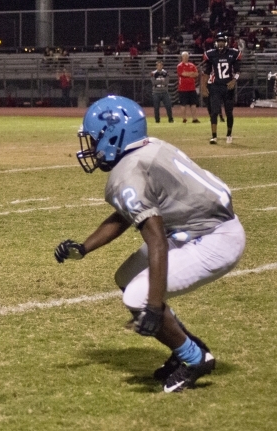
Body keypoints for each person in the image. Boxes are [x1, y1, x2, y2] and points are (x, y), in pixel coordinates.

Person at [54, 95, 245, 392]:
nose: (90, 148)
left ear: (113, 136)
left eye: (93, 140)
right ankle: (185, 343)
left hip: (214, 237)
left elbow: (155, 237)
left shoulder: (127, 172)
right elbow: (127, 214)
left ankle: (194, 358)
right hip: (198, 227)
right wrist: (85, 247)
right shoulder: (147, 147)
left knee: (138, 297)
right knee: (126, 277)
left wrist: (154, 307)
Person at [200, 32, 242, 144]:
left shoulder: (233, 53)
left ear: (226, 42)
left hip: (228, 86)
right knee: (214, 112)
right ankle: (214, 136)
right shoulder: (211, 54)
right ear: (216, 42)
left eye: (222, 41)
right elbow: (206, 72)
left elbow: (238, 71)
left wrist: (234, 80)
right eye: (219, 41)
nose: (220, 44)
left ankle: (229, 134)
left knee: (229, 112)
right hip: (215, 86)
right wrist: (204, 86)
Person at [176, 51, 200, 123]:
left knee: (193, 104)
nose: (186, 57)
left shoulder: (192, 65)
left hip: (192, 88)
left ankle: (194, 118)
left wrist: (188, 74)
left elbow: (196, 74)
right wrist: (191, 74)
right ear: (182, 57)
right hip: (183, 88)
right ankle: (184, 118)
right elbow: (183, 74)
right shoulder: (179, 66)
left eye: (187, 56)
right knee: (183, 104)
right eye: (184, 56)